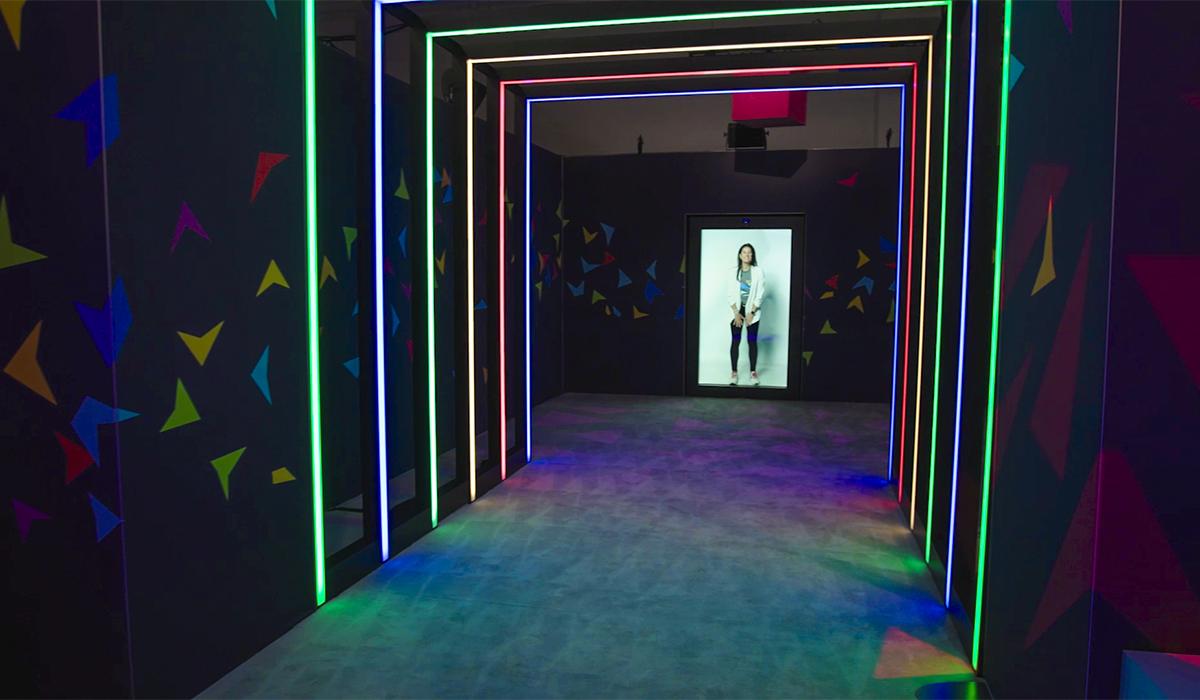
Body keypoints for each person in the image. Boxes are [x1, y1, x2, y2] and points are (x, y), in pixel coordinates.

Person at [728, 243, 765, 386]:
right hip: (736, 312)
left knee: (752, 341)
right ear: (740, 255)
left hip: (752, 311)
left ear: (752, 256)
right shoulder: (732, 272)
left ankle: (753, 372)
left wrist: (752, 312)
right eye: (744, 252)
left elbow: (760, 294)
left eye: (750, 253)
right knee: (735, 341)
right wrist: (736, 313)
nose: (747, 255)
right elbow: (730, 294)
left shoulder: (758, 272)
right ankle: (734, 372)